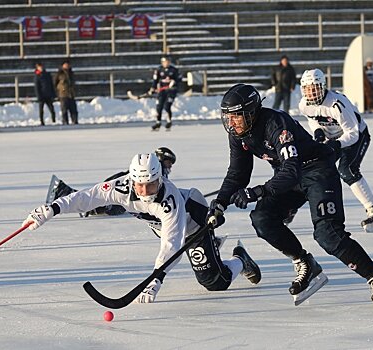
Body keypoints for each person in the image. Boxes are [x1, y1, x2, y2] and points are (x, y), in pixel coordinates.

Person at [206, 83, 373, 307]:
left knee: (327, 234)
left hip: (317, 171)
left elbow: (291, 170)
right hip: (290, 177)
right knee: (262, 218)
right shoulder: (239, 134)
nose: (230, 123)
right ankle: (305, 263)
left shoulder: (276, 124)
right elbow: (237, 174)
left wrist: (258, 191)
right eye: (227, 117)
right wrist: (220, 203)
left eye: (236, 117)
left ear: (251, 112)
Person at [24, 153, 261, 303]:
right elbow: (87, 198)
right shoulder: (120, 187)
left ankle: (240, 259)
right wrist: (52, 209)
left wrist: (156, 279)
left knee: (214, 282)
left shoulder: (171, 201)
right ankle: (216, 249)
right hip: (163, 227)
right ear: (132, 180)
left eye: (151, 185)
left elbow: (171, 242)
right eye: (140, 186)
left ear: (161, 179)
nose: (145, 192)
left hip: (193, 220)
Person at [298, 68, 373, 233]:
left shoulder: (336, 104)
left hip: (357, 135)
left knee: (347, 170)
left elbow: (352, 134)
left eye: (314, 88)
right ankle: (291, 208)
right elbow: (314, 120)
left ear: (323, 87)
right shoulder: (304, 105)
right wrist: (318, 131)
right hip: (333, 137)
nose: (311, 93)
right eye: (307, 89)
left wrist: (336, 145)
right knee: (314, 169)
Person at [46, 147, 178, 217]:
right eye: (169, 162)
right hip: (123, 188)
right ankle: (62, 192)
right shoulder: (155, 169)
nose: (170, 166)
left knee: (108, 204)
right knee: (106, 203)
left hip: (127, 190)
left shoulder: (156, 170)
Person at [150, 56, 182, 131]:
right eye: (164, 62)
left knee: (167, 106)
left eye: (167, 62)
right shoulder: (159, 70)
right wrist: (153, 88)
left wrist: (174, 82)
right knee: (159, 106)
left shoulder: (174, 70)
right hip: (162, 90)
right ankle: (158, 122)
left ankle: (169, 121)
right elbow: (155, 80)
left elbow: (179, 79)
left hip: (171, 91)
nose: (166, 63)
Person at [54, 60, 78, 125]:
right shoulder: (59, 73)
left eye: (68, 64)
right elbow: (55, 83)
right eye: (66, 64)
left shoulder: (71, 73)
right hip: (63, 95)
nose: (67, 66)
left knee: (73, 110)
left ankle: (75, 121)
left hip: (71, 94)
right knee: (64, 110)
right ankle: (65, 122)